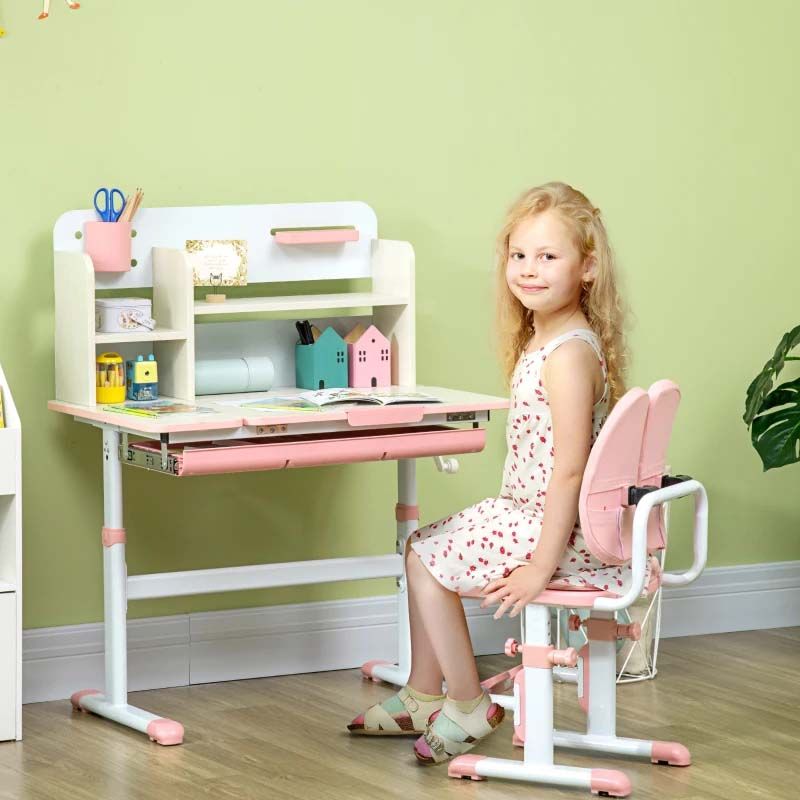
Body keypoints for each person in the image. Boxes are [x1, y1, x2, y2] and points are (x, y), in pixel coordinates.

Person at [348, 181, 633, 765]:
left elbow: (571, 471)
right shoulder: (546, 339)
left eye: (547, 256)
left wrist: (540, 566)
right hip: (529, 513)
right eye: (518, 254)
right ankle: (424, 694)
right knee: (419, 546)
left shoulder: (568, 355)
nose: (528, 269)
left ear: (587, 267)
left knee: (427, 562)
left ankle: (467, 701)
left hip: (555, 528)